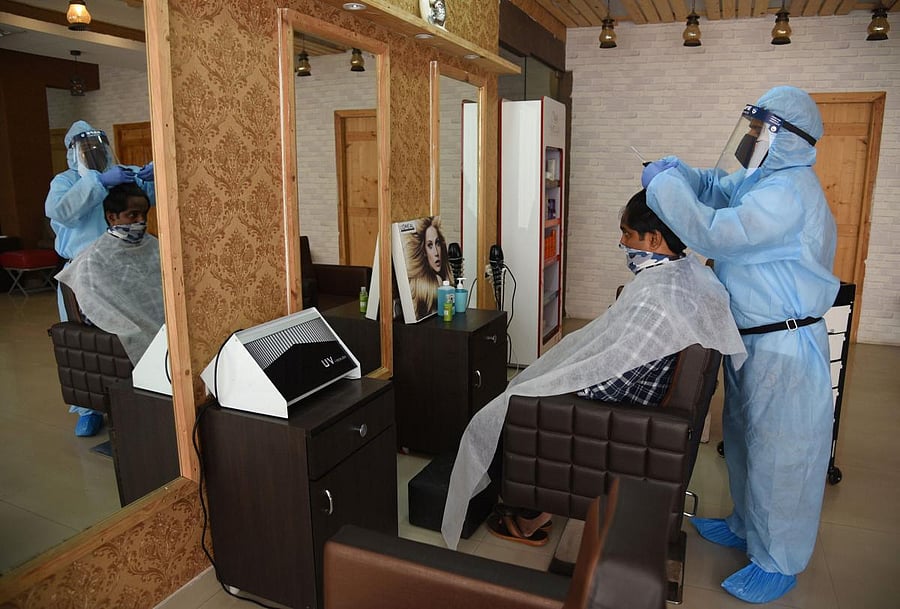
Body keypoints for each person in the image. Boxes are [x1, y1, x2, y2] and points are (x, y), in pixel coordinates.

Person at [441, 190, 747, 551]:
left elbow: (609, 384)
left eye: (627, 234)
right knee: (531, 385)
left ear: (654, 240)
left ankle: (528, 515)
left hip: (621, 415)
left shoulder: (657, 301)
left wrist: (567, 381)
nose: (622, 242)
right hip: (638, 403)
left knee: (517, 402)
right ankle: (537, 500)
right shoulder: (685, 273)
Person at [641, 85, 839, 604]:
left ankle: (779, 561)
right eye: (749, 129)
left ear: (783, 137)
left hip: (787, 347)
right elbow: (716, 188)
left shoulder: (788, 194)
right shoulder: (761, 180)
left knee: (782, 455)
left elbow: (714, 232)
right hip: (754, 341)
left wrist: (662, 189)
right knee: (747, 441)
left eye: (757, 131)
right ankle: (747, 525)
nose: (749, 139)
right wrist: (680, 172)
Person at [45, 120, 155, 436]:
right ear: (73, 152)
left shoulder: (122, 174)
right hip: (82, 273)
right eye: (85, 147)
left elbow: (151, 198)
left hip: (124, 269)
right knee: (86, 345)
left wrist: (152, 176)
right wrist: (96, 182)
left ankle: (138, 395)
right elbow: (62, 212)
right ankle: (89, 408)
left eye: (98, 145)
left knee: (128, 334)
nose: (93, 152)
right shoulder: (65, 182)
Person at [55, 184, 165, 433]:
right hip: (128, 325)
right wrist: (137, 324)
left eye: (144, 215)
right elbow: (97, 305)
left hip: (162, 320)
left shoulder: (153, 245)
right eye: (132, 215)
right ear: (112, 217)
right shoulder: (93, 258)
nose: (140, 221)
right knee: (145, 337)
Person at [403, 215, 454, 319]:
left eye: (437, 243)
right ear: (424, 252)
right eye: (430, 245)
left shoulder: (442, 282)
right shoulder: (431, 284)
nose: (436, 252)